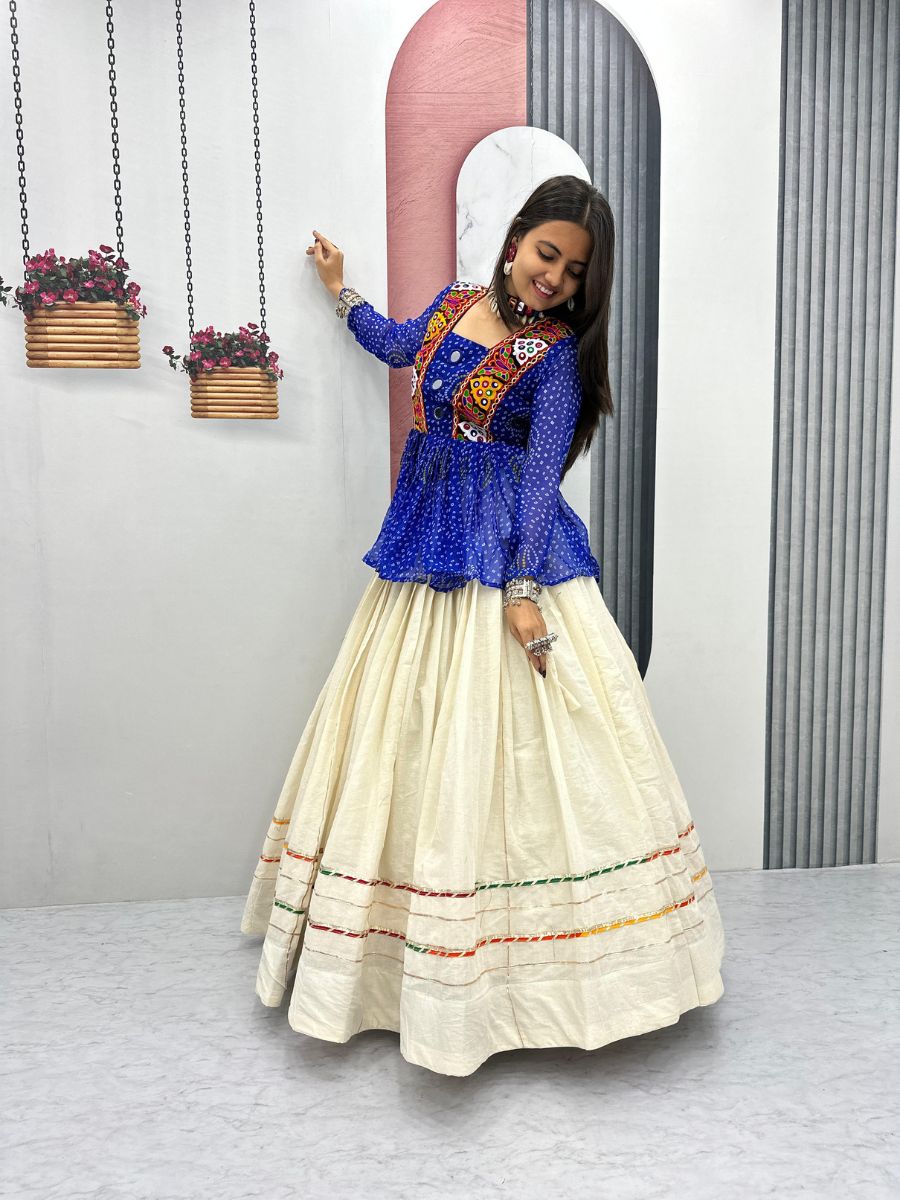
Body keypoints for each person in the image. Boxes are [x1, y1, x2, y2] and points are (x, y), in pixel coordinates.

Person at [240, 175, 725, 1077]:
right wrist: (342, 292)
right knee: (408, 735)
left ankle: (530, 974)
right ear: (514, 242)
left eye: (574, 272)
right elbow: (399, 345)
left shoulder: (555, 357)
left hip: (505, 549)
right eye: (548, 254)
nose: (556, 278)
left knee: (520, 751)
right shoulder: (454, 303)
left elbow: (541, 476)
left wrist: (522, 588)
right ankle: (402, 952)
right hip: (429, 540)